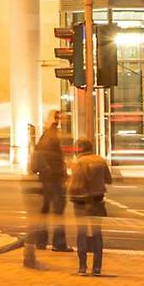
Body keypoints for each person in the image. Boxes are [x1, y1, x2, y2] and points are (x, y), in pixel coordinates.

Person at [67, 135, 114, 276]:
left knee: (81, 233)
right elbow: (108, 180)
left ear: (78, 149)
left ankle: (82, 268)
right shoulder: (100, 160)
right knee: (97, 234)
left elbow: (74, 186)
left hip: (81, 203)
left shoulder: (78, 163)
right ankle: (97, 268)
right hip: (98, 201)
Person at [27, 114, 68, 267]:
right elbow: (54, 159)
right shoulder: (52, 137)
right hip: (53, 180)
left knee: (44, 213)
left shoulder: (45, 137)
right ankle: (59, 243)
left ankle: (41, 241)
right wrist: (58, 173)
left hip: (46, 180)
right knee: (58, 212)